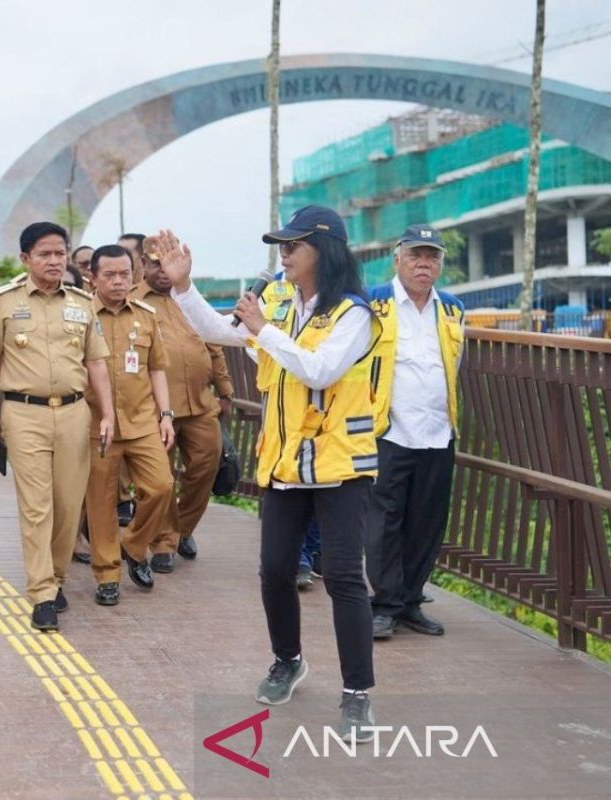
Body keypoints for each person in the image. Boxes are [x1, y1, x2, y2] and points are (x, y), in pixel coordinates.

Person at [156, 205, 383, 742]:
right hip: (284, 463)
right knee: (275, 569)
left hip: (339, 466)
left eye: (293, 244)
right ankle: (288, 660)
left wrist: (265, 331)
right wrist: (184, 286)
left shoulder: (355, 314)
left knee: (345, 578)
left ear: (323, 251)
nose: (283, 252)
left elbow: (320, 368)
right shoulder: (282, 303)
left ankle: (357, 695)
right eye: (281, 244)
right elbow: (221, 330)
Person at [0, 222, 114, 632]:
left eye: (59, 253)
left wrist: (107, 413)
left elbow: (97, 362)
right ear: (25, 259)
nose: (54, 261)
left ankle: (56, 577)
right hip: (23, 413)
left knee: (69, 506)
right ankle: (41, 593)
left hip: (74, 413)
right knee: (37, 506)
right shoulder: (3, 301)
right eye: (44, 254)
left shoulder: (82, 303)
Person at [367, 225, 464, 639]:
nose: (424, 264)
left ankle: (410, 601)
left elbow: (456, 366)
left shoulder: (454, 310)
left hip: (438, 432)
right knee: (385, 520)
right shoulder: (374, 303)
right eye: (416, 256)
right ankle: (385, 604)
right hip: (388, 430)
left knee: (427, 520)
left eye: (432, 257)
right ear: (397, 258)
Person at [130, 237, 233, 566]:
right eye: (154, 264)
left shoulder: (190, 298)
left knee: (206, 466)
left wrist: (226, 389)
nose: (162, 271)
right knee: (159, 477)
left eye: (167, 263)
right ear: (143, 265)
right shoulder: (132, 302)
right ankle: (162, 543)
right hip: (155, 407)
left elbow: (214, 342)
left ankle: (181, 529)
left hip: (201, 403)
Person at [84, 244, 174, 607]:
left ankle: (133, 545)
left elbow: (156, 368)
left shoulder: (146, 315)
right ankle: (107, 575)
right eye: (110, 275)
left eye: (125, 274)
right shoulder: (80, 314)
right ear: (93, 277)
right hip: (96, 424)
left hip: (141, 421)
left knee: (161, 486)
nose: (119, 281)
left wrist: (166, 414)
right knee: (101, 503)